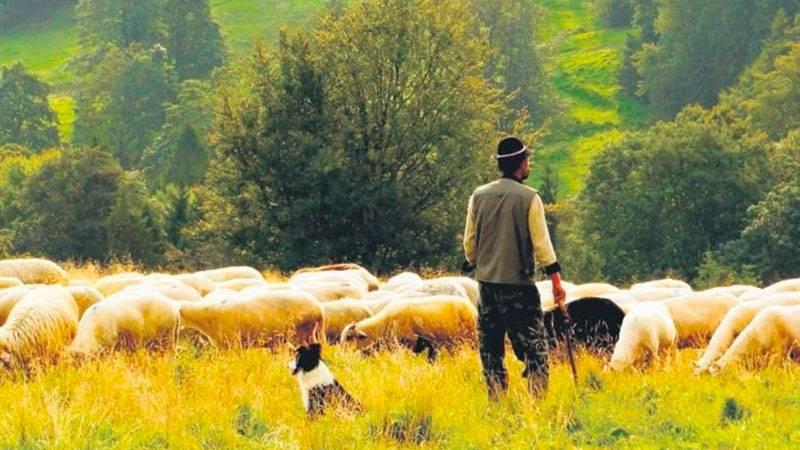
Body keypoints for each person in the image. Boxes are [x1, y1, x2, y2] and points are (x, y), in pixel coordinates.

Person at [463, 135, 566, 399]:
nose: (529, 164)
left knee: (491, 350)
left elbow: (470, 243)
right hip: (519, 288)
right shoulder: (529, 198)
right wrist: (556, 282)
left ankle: (496, 400)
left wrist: (479, 262)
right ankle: (536, 403)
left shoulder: (479, 196)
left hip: (486, 286)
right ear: (521, 163)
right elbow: (542, 245)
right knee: (534, 349)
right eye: (528, 159)